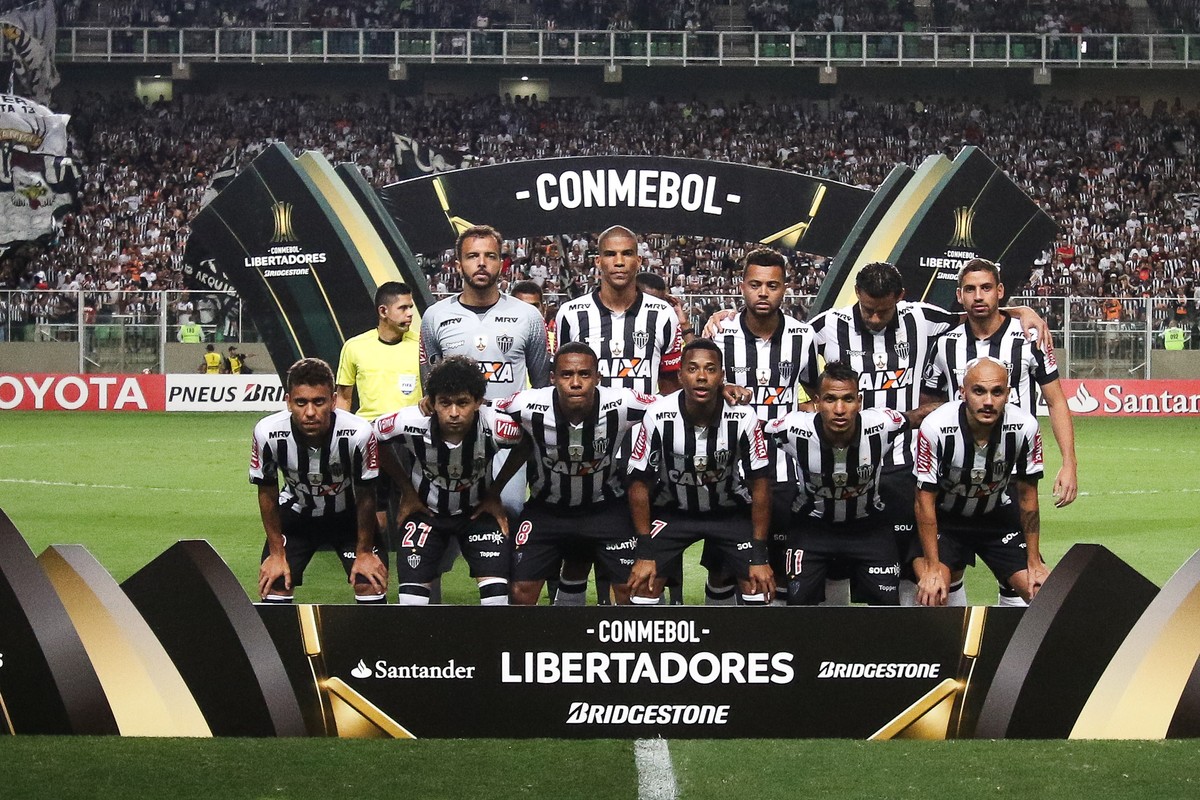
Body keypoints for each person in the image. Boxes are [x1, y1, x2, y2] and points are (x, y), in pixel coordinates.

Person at [921, 258, 1077, 605]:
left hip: (1011, 473)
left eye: (987, 288)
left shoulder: (1029, 338)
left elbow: (1056, 401)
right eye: (970, 289)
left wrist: (1069, 463)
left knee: (1025, 583)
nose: (979, 296)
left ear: (1000, 291)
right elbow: (928, 404)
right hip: (954, 477)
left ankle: (1010, 630)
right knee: (946, 578)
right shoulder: (945, 344)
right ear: (959, 296)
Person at [496, 342, 657, 605]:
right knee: (520, 591)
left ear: (598, 377)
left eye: (584, 374)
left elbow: (670, 406)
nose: (575, 383)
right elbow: (481, 408)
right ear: (552, 378)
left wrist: (721, 390)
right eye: (566, 375)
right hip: (546, 510)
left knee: (630, 590)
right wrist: (431, 403)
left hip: (606, 509)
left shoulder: (622, 403)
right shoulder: (527, 404)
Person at [706, 246, 820, 605]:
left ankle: (773, 636)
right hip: (731, 471)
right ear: (742, 286)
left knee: (781, 568)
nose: (763, 293)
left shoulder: (803, 336)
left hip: (785, 471)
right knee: (722, 569)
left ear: (785, 287)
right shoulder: (720, 335)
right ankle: (720, 635)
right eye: (755, 284)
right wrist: (721, 388)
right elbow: (696, 391)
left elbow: (818, 394)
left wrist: (800, 414)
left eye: (772, 285)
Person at [626, 340, 775, 605]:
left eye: (710, 369)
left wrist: (760, 556)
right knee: (643, 587)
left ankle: (726, 631)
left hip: (729, 512)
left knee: (758, 588)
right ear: (680, 374)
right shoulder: (658, 414)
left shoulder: (743, 416)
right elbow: (639, 483)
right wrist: (644, 551)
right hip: (673, 512)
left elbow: (761, 484)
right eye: (693, 369)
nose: (702, 377)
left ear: (722, 376)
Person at [419, 224, 551, 520]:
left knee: (509, 510)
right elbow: (430, 385)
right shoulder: (435, 317)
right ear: (458, 264)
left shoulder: (528, 316)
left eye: (490, 256)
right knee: (448, 513)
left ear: (502, 262)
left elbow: (542, 387)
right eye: (472, 256)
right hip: (455, 435)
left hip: (508, 437)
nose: (481, 263)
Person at [373, 356, 524, 605]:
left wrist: (495, 491)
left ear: (478, 402)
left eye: (462, 403)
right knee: (411, 603)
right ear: (431, 402)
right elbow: (373, 437)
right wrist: (406, 489)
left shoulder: (497, 426)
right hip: (426, 513)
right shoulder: (410, 422)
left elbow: (527, 442)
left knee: (497, 600)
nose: (454, 413)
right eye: (445, 403)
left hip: (477, 514)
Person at [764, 362, 911, 605]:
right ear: (817, 402)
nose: (840, 409)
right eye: (830, 399)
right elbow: (752, 427)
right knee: (798, 607)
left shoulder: (883, 425)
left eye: (848, 399)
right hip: (812, 529)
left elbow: (920, 417)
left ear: (860, 401)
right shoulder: (794, 429)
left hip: (869, 528)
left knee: (887, 610)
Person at [250, 357, 388, 604]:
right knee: (276, 583)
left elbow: (366, 495)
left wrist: (365, 551)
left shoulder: (358, 433)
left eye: (319, 402)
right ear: (288, 401)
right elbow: (267, 492)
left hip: (348, 517)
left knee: (370, 583)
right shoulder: (268, 433)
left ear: (333, 401)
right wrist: (276, 553)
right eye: (301, 402)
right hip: (297, 516)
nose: (310, 412)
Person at [913, 356, 1049, 607]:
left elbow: (1028, 496)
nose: (988, 401)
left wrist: (1034, 562)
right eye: (979, 391)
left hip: (997, 517)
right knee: (933, 596)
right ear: (962, 392)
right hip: (946, 521)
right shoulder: (936, 427)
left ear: (1008, 394)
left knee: (1043, 595)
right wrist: (932, 568)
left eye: (997, 392)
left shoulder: (1025, 427)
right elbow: (924, 501)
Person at [336, 281, 423, 419]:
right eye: (403, 308)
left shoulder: (422, 345)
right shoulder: (354, 346)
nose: (410, 313)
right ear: (383, 311)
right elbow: (343, 398)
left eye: (410, 307)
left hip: (411, 427)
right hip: (369, 427)